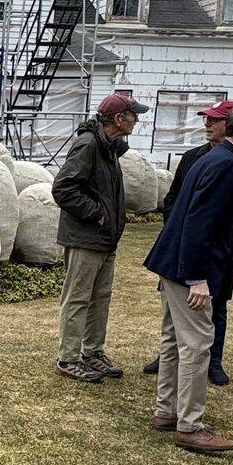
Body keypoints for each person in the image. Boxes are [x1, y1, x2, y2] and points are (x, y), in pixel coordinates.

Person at [144, 101, 233, 455]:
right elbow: (200, 222)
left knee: (173, 342)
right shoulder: (226, 165)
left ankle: (167, 412)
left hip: (172, 264)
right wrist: (198, 277)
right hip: (188, 269)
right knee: (198, 344)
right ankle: (190, 426)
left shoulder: (213, 160)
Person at [51, 92, 150, 383]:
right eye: (134, 115)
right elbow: (63, 189)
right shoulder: (89, 144)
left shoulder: (108, 146)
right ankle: (69, 358)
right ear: (119, 119)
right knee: (78, 298)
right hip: (86, 237)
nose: (137, 120)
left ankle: (92, 352)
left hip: (104, 238)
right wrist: (97, 214)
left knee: (100, 297)